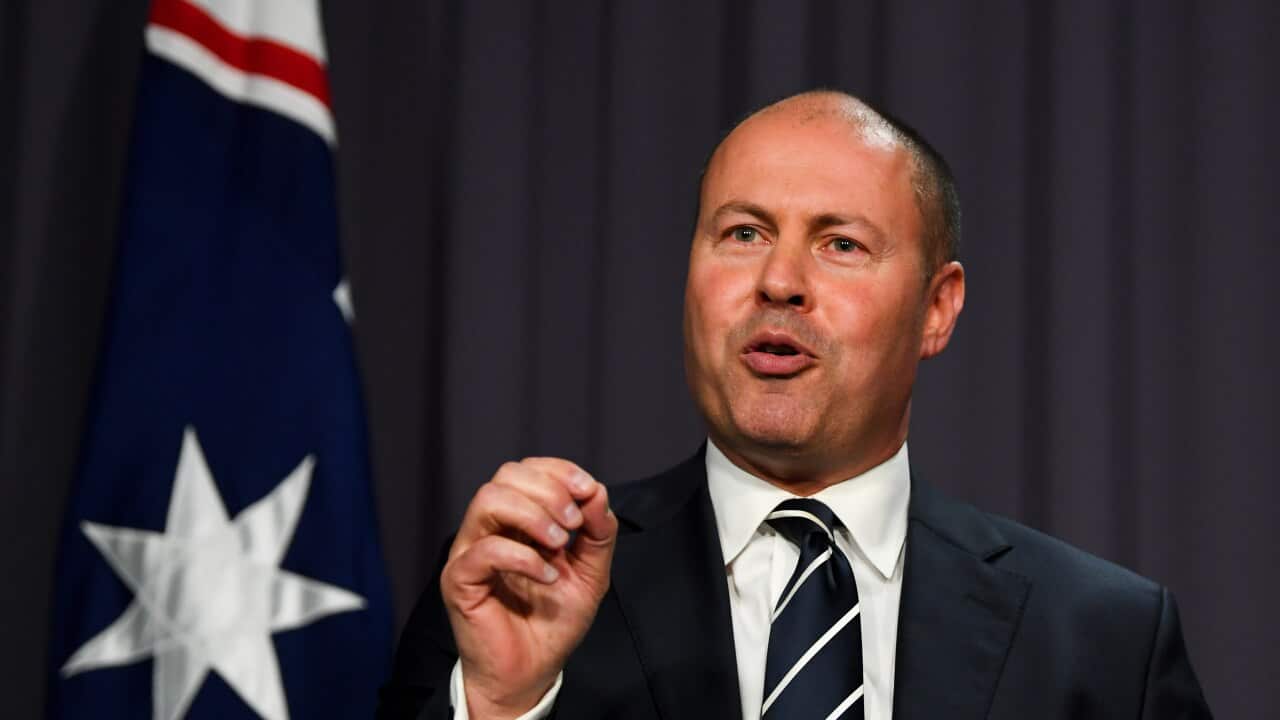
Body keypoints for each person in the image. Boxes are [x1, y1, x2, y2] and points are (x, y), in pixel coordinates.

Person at [376, 90, 1212, 719]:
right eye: (742, 233)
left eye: (840, 244)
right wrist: (500, 705)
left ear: (937, 308)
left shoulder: (1104, 639)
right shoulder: (514, 582)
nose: (779, 281)